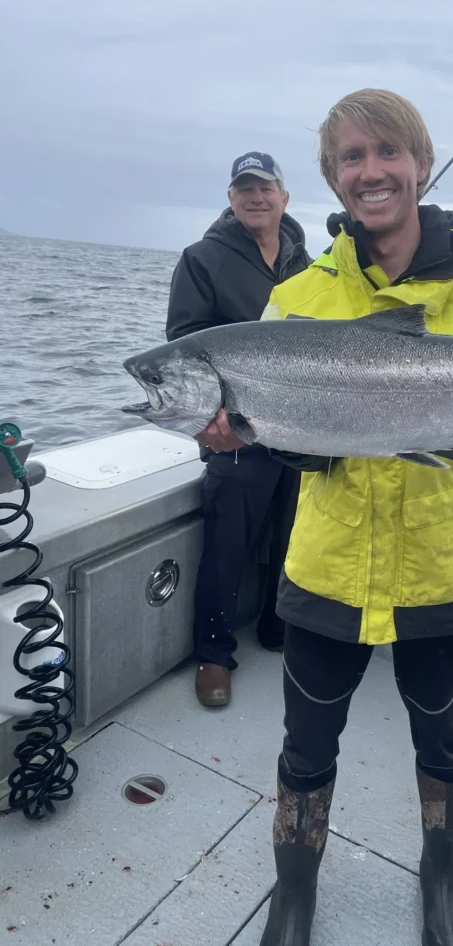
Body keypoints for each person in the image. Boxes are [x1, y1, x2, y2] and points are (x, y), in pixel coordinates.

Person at [203, 90, 453, 945]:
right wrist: (237, 431)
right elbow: (296, 447)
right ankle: (295, 890)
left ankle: (442, 879)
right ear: (331, 179)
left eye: (387, 152)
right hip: (327, 565)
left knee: (446, 738)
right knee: (306, 742)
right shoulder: (297, 299)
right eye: (351, 158)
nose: (371, 171)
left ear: (421, 165)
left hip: (442, 562)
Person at [166, 152, 311, 708]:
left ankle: (278, 629)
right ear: (231, 198)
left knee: (296, 541)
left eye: (265, 187)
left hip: (302, 428)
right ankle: (214, 654)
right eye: (244, 188)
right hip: (238, 430)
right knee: (227, 547)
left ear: (284, 197)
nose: (256, 197)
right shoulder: (203, 259)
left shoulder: (311, 264)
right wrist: (210, 423)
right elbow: (185, 342)